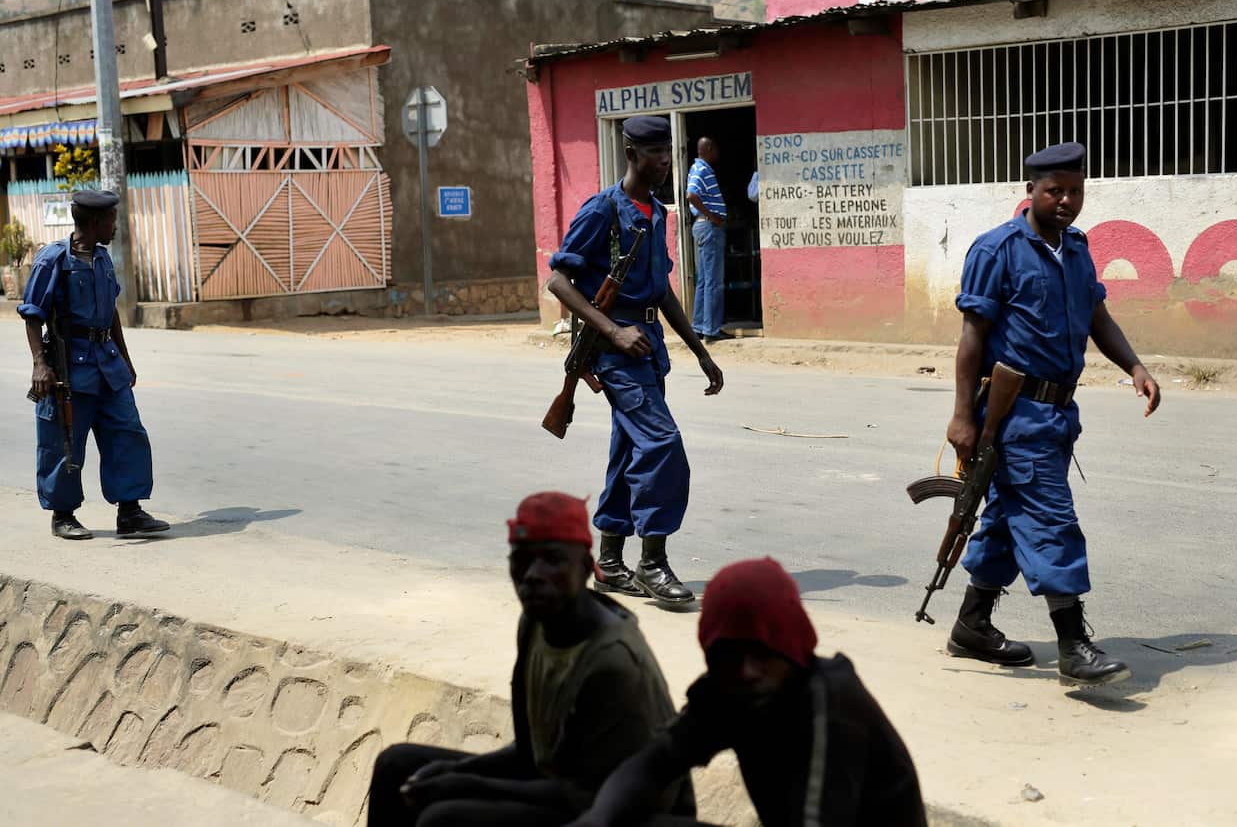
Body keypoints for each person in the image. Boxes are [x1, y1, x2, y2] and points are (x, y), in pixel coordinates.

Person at [945, 142, 1161, 686]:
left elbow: (1097, 317)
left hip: (1059, 414)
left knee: (1006, 519)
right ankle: (1073, 645)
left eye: (1075, 191)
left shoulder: (1078, 249)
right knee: (1050, 520)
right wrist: (962, 417)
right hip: (1013, 414)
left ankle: (972, 624)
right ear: (1030, 191)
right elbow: (972, 340)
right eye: (1054, 191)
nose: (1066, 200)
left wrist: (1134, 366)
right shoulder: (996, 250)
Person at [367, 492, 696, 827]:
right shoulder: (536, 621)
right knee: (398, 764)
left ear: (586, 568)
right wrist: (458, 770)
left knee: (444, 818)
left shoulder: (611, 662)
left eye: (552, 560)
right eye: (522, 559)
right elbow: (529, 753)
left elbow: (591, 798)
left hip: (624, 813)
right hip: (570, 788)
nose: (533, 575)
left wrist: (469, 783)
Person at [569, 557, 926, 827]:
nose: (748, 670)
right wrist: (597, 820)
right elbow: (652, 764)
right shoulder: (728, 690)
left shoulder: (829, 703)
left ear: (791, 646)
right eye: (729, 656)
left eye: (762, 654)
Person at [546, 116, 723, 609]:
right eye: (655, 153)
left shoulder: (657, 213)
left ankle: (608, 562)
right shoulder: (603, 209)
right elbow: (558, 281)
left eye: (668, 152)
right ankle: (652, 562)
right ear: (631, 154)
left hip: (648, 348)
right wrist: (613, 331)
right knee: (662, 444)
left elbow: (661, 290)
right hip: (615, 352)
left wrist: (701, 351)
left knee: (629, 451)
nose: (664, 161)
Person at [19, 190, 168, 540]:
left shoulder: (102, 258)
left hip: (108, 365)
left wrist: (126, 359)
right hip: (70, 369)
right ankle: (63, 515)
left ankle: (130, 512)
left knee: (127, 432)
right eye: (112, 220)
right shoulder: (53, 260)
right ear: (96, 222)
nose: (115, 226)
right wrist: (39, 364)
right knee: (64, 441)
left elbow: (111, 311)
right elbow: (32, 315)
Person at [686, 136, 730, 342]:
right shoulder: (702, 169)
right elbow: (691, 195)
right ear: (709, 148)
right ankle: (712, 330)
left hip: (704, 226)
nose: (718, 154)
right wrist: (712, 216)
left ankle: (699, 327)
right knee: (713, 281)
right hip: (709, 227)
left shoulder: (697, 168)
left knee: (704, 281)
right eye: (716, 149)